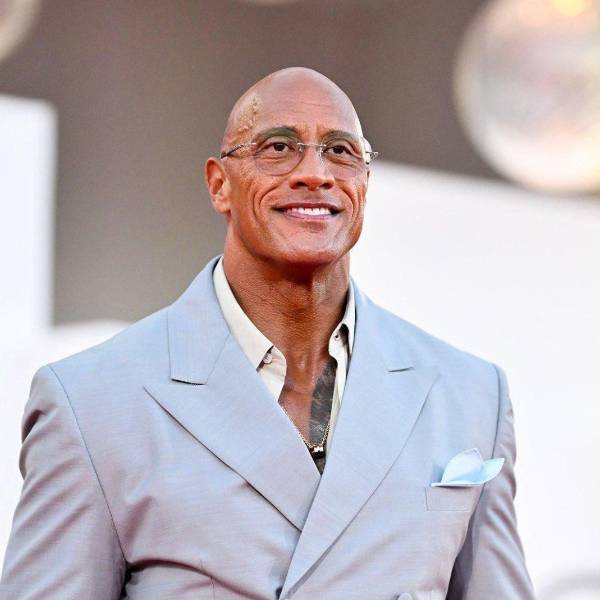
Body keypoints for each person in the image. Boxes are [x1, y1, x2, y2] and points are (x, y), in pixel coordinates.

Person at [0, 67, 535, 599]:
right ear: (219, 184)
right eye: (278, 148)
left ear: (365, 185)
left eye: (341, 151)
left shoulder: (470, 395)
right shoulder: (92, 403)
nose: (315, 174)